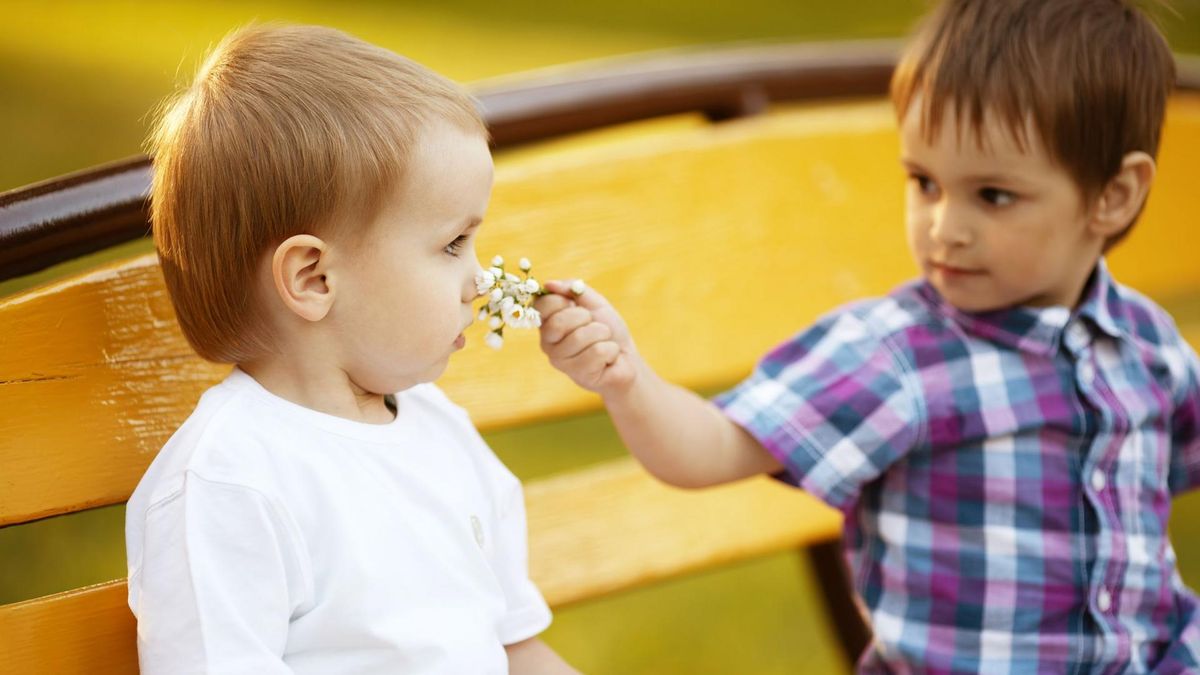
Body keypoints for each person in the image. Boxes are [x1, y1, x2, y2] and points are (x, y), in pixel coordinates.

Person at [535, 0, 1200, 671]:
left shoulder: (1146, 347)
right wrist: (625, 377)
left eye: (992, 195)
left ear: (1113, 196)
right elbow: (707, 449)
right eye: (925, 182)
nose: (944, 226)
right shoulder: (899, 356)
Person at [124, 23, 577, 674]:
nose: (478, 281)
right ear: (314, 279)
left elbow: (516, 649)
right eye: (452, 245)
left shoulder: (441, 431)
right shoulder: (230, 484)